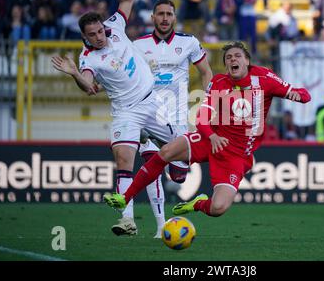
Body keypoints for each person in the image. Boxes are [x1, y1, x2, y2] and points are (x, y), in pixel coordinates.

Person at [104, 41, 311, 218]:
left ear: (247, 61)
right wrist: (211, 136)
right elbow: (202, 117)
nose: (232, 60)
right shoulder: (219, 83)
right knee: (165, 152)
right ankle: (125, 197)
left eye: (237, 56)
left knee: (218, 208)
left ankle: (197, 204)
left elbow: (303, 94)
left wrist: (298, 96)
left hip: (236, 155)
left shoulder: (264, 79)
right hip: (211, 139)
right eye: (228, 58)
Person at [51, 0, 183, 238]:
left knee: (179, 164)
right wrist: (75, 74)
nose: (100, 36)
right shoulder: (88, 58)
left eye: (100, 31)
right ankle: (127, 219)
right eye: (93, 34)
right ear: (84, 37)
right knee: (124, 161)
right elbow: (89, 86)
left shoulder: (116, 26)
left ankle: (172, 160)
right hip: (126, 112)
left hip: (151, 102)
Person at [132, 0, 213, 237]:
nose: (165, 18)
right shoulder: (137, 45)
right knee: (152, 166)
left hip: (176, 118)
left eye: (169, 14)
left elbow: (206, 71)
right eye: (161, 14)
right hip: (147, 115)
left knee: (177, 177)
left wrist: (209, 100)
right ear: (153, 18)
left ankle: (176, 169)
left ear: (174, 17)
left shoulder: (189, 43)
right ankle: (160, 226)